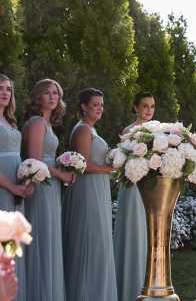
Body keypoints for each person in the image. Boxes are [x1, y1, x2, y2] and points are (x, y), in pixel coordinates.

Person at [62, 88, 118, 300]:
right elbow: (83, 165)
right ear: (84, 106)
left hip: (97, 189)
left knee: (98, 243)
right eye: (95, 104)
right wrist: (111, 169)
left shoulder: (91, 130)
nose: (100, 108)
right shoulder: (83, 130)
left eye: (102, 105)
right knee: (90, 241)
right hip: (87, 191)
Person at [23, 79, 73, 301]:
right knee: (41, 238)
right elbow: (34, 161)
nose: (53, 97)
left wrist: (63, 166)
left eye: (56, 93)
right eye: (48, 93)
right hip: (40, 187)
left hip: (50, 187)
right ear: (38, 97)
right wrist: (61, 174)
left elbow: (46, 159)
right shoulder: (36, 123)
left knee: (49, 239)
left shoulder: (47, 124)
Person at [114, 92, 154, 301]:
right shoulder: (128, 131)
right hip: (132, 187)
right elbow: (121, 162)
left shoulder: (158, 131)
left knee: (148, 234)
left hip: (150, 189)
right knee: (133, 231)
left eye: (152, 106)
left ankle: (150, 285)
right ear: (136, 107)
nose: (149, 110)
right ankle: (130, 287)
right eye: (145, 106)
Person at [0, 74, 32, 301]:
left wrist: (27, 179)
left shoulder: (11, 122)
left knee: (12, 241)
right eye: (0, 88)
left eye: (8, 89)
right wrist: (11, 186)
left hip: (16, 188)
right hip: (3, 187)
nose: (4, 93)